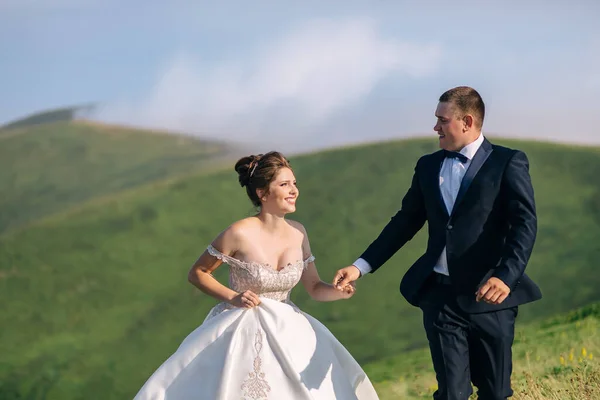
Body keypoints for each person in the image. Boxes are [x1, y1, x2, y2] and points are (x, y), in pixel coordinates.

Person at [333, 86, 542, 400]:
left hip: (490, 297)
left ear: (467, 121)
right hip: (439, 297)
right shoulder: (428, 167)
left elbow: (524, 224)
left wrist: (505, 276)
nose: (435, 127)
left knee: (495, 393)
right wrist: (360, 266)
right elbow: (404, 222)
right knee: (451, 394)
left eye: (442, 120)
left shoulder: (508, 162)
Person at [133, 151, 379, 400]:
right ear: (262, 193)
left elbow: (314, 287)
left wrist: (339, 293)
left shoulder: (299, 233)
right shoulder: (239, 232)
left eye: (294, 183)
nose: (294, 190)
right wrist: (234, 297)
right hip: (240, 332)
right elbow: (198, 272)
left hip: (290, 331)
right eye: (284, 184)